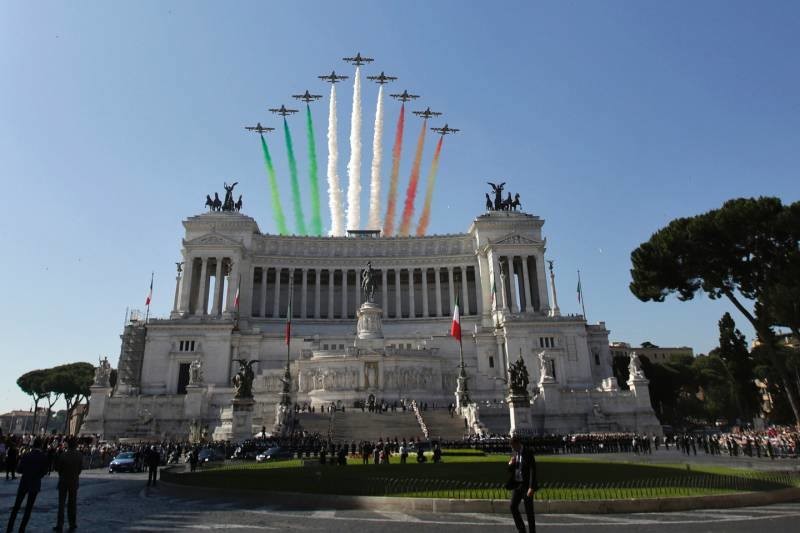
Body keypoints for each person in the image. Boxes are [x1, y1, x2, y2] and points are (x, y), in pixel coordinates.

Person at [7, 437, 48, 533]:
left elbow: (19, 469)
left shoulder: (26, 455)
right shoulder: (43, 457)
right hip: (35, 483)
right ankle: (22, 529)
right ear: (41, 445)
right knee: (28, 508)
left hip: (24, 482)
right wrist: (37, 476)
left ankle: (9, 527)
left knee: (16, 507)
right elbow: (44, 471)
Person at [507, 435, 537, 533]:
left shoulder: (528, 452)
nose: (512, 448)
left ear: (518, 444)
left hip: (526, 485)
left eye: (513, 446)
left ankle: (532, 531)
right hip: (517, 484)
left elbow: (533, 470)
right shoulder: (514, 453)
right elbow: (511, 469)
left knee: (529, 511)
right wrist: (510, 464)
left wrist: (531, 487)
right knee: (512, 506)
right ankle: (521, 529)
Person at [53, 437, 82, 532]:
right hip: (74, 481)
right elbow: (80, 469)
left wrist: (62, 475)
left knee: (61, 504)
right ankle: (72, 523)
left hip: (63, 481)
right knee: (72, 504)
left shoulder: (63, 455)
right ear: (76, 445)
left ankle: (59, 524)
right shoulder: (79, 455)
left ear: (68, 445)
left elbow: (59, 469)